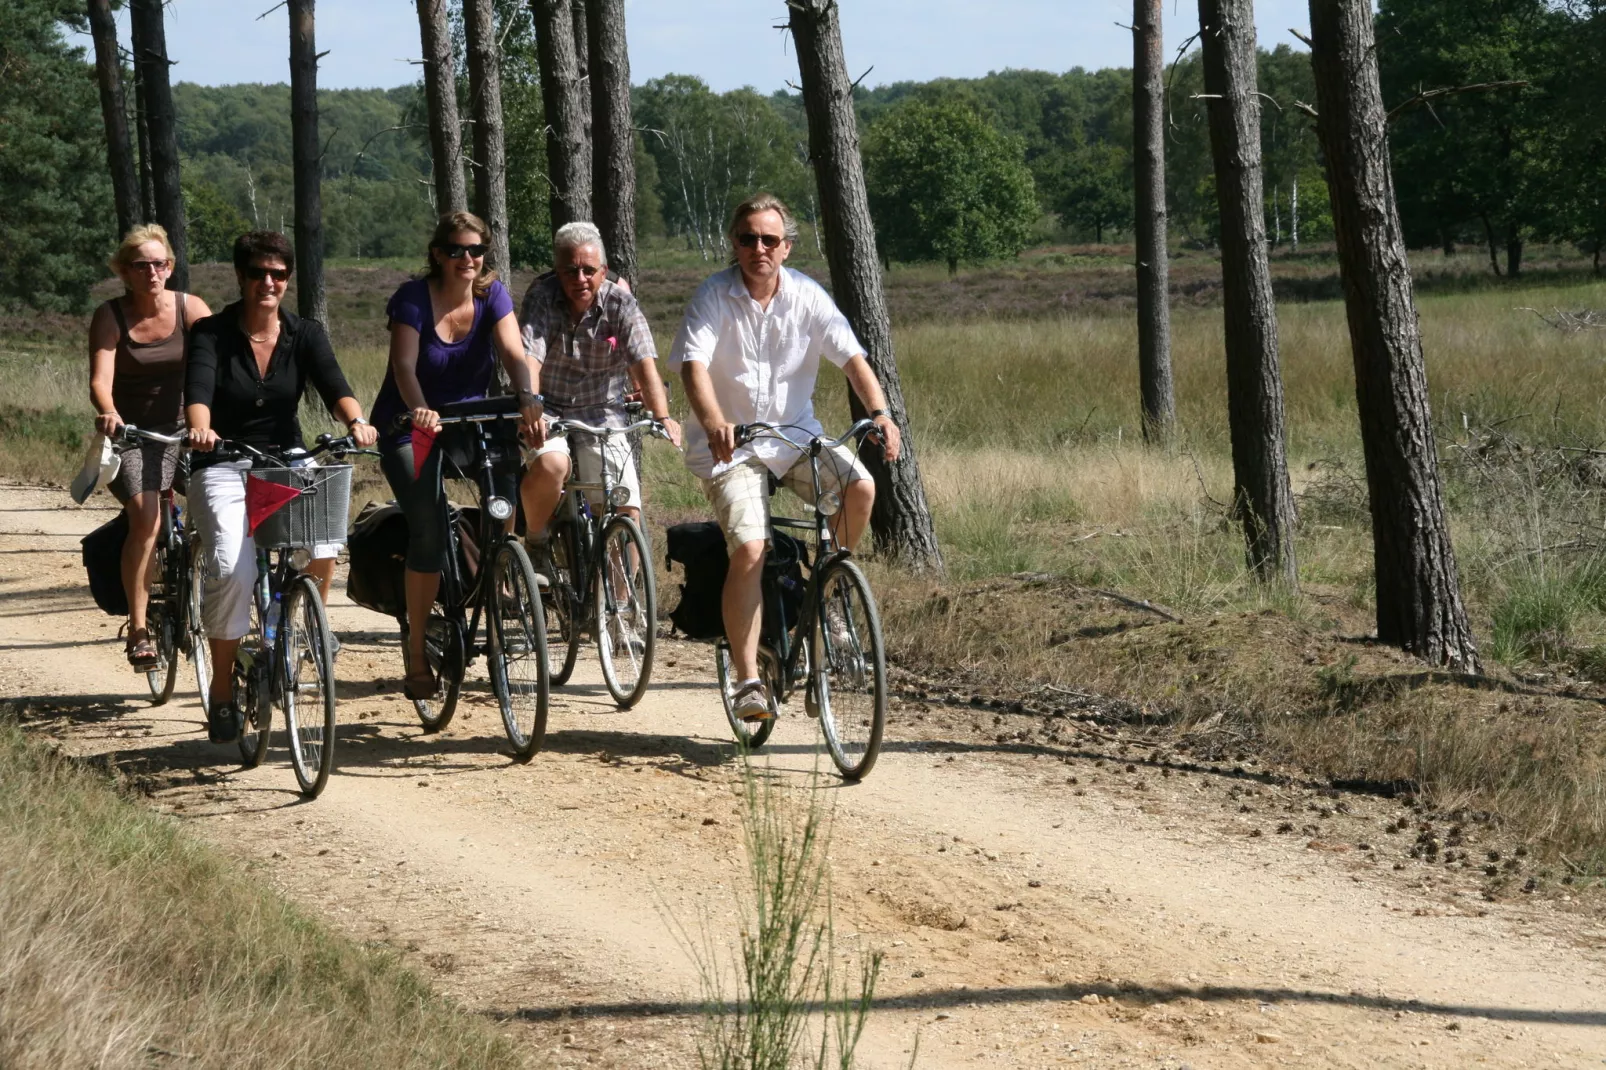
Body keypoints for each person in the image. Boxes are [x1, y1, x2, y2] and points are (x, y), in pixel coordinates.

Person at [668, 193, 901, 723]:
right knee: (750, 548)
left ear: (787, 247)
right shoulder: (714, 296)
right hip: (733, 446)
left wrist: (881, 413)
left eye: (769, 239)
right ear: (734, 243)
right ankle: (749, 681)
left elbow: (852, 359)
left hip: (795, 437)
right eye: (747, 238)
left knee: (860, 487)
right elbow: (693, 368)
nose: (758, 249)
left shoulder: (808, 297)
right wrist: (712, 423)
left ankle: (828, 593)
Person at [186, 231, 377, 742]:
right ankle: (222, 688)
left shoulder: (304, 333)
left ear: (287, 280)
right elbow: (199, 389)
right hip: (222, 461)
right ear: (241, 278)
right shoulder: (210, 332)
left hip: (284, 459)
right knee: (231, 566)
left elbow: (335, 385)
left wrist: (356, 420)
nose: (268, 282)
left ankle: (300, 623)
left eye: (278, 274)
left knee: (324, 537)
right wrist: (201, 428)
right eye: (257, 273)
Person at [369, 211, 541, 700]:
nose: (467, 259)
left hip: (472, 419)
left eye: (475, 250)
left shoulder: (493, 294)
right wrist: (420, 410)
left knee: (503, 503)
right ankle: (419, 652)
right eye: (456, 250)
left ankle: (499, 575)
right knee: (428, 526)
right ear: (438, 254)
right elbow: (403, 365)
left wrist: (527, 395)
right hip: (412, 424)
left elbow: (513, 352)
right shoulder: (412, 299)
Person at [87, 224, 212, 671]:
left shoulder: (190, 308)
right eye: (141, 265)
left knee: (224, 504)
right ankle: (139, 629)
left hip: (188, 429)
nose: (152, 272)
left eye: (160, 263)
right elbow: (100, 380)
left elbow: (215, 362)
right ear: (124, 271)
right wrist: (110, 413)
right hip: (135, 435)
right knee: (146, 518)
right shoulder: (111, 316)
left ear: (171, 267)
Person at [517, 220, 680, 557]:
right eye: (570, 270)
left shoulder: (621, 303)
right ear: (557, 271)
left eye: (588, 270)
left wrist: (662, 416)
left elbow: (643, 362)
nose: (580, 279)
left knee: (626, 508)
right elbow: (529, 358)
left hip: (601, 409)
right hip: (548, 405)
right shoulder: (542, 296)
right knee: (552, 465)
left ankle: (623, 604)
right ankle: (536, 538)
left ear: (603, 271)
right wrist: (531, 404)